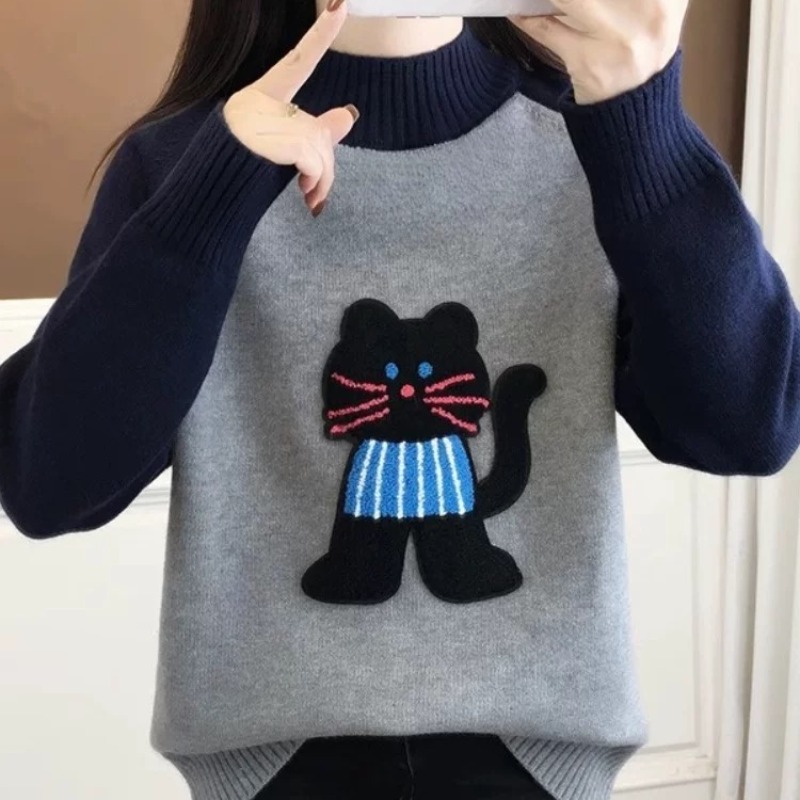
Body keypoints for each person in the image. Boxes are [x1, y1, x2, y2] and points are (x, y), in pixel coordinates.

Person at [1, 0, 799, 798]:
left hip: (540, 764)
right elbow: (49, 485)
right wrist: (214, 190)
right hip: (267, 768)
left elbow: (751, 427)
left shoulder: (594, 138)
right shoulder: (185, 164)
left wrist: (644, 123)